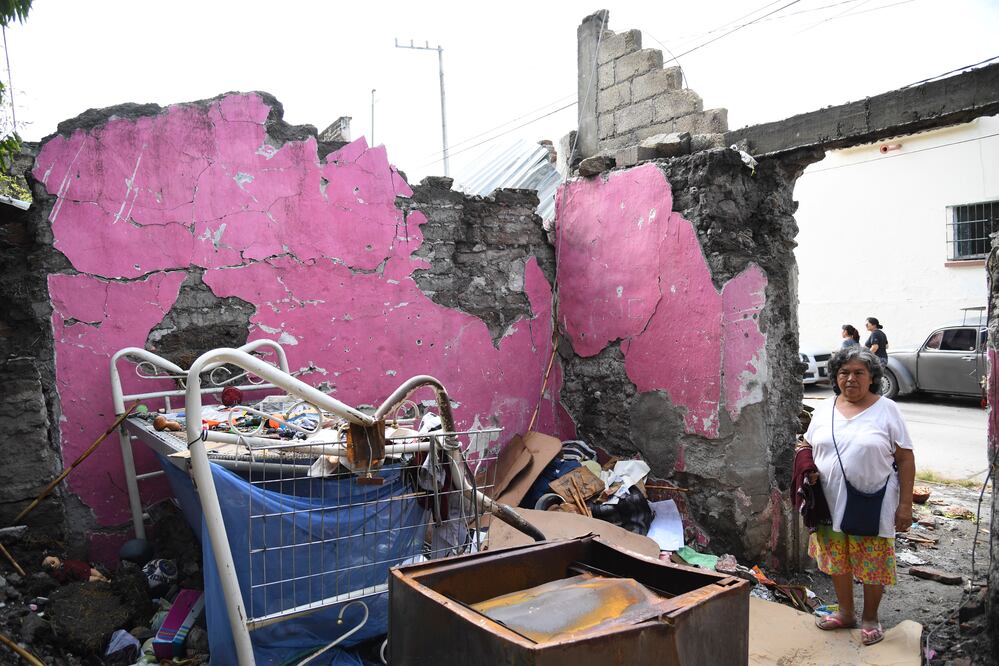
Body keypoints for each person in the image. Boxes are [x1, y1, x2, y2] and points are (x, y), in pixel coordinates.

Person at [801, 347, 915, 647]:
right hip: (829, 503)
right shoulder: (824, 409)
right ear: (836, 376)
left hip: (873, 502)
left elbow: (905, 459)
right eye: (844, 372)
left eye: (858, 373)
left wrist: (905, 506)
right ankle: (847, 613)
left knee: (872, 561)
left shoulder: (887, 410)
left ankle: (870, 618)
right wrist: (807, 471)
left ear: (872, 377)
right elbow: (809, 446)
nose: (850, 378)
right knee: (837, 560)